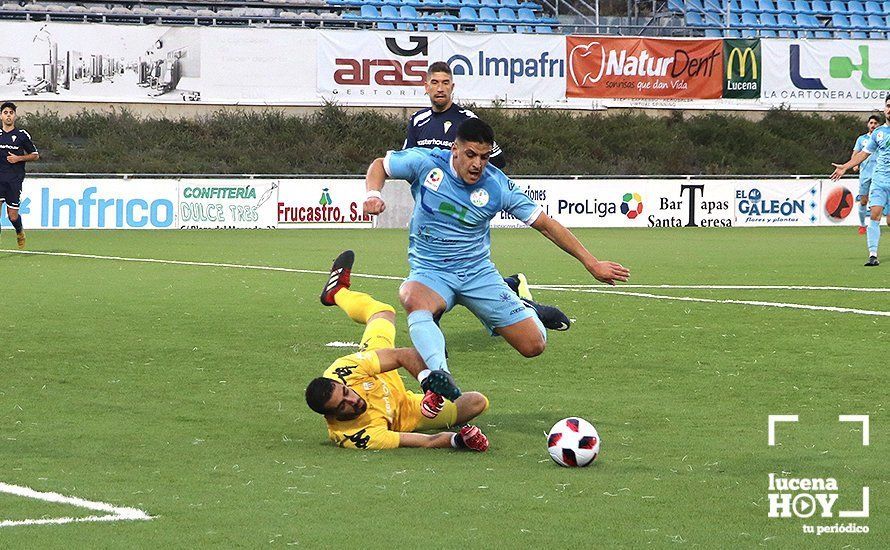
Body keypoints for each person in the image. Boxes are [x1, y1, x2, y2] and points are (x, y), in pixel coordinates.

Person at [363, 118, 630, 401]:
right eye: (470, 155)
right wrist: (372, 194)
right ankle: (441, 378)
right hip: (431, 272)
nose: (477, 164)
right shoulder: (425, 163)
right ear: (455, 149)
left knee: (533, 346)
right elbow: (381, 164)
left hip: (478, 274)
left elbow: (546, 225)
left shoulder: (497, 186)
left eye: (484, 157)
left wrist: (591, 263)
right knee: (411, 295)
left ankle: (527, 307)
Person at [405, 61, 570, 332]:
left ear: (452, 87)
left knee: (460, 279)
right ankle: (511, 291)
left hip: (468, 210)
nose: (440, 88)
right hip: (431, 214)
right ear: (426, 86)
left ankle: (519, 309)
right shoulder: (417, 122)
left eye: (445, 83)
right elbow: (410, 163)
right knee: (433, 282)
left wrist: (469, 173)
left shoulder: (467, 120)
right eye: (434, 82)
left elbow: (496, 159)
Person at [305, 250, 491, 451]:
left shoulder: (346, 371)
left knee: (383, 312)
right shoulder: (355, 436)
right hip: (406, 411)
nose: (352, 399)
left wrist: (429, 386)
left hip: (381, 372)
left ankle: (337, 292)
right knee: (476, 403)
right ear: (330, 417)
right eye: (343, 405)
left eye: (346, 392)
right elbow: (426, 441)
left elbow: (404, 355)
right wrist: (458, 440)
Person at [831, 95, 890, 267]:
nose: (889, 109)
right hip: (879, 181)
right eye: (888, 105)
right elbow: (863, 154)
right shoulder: (878, 133)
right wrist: (845, 167)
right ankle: (873, 254)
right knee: (874, 215)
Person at [0, 101, 38, 250]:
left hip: (14, 180)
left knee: (12, 216)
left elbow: (35, 155)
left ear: (15, 116)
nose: (8, 115)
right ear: (1, 116)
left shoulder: (21, 135)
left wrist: (18, 158)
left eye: (11, 113)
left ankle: (19, 231)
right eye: (5, 113)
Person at [850, 115, 881, 234]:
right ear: (868, 124)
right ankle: (862, 225)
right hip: (865, 174)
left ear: (878, 125)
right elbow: (856, 153)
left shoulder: (882, 137)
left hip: (879, 173)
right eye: (871, 123)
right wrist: (854, 164)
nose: (873, 125)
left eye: (875, 123)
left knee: (877, 202)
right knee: (863, 200)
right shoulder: (861, 139)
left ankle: (874, 226)